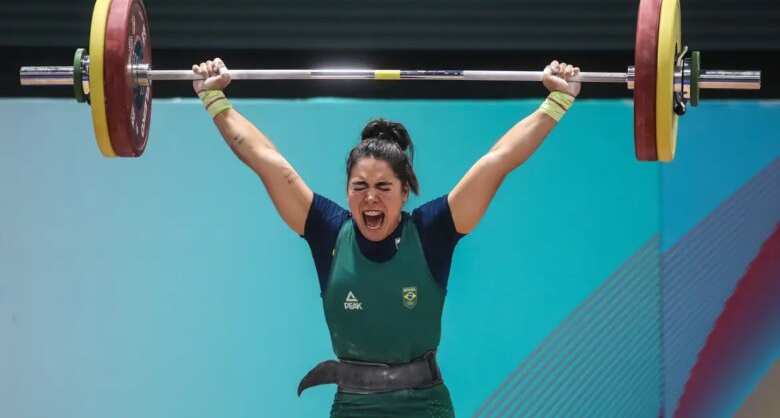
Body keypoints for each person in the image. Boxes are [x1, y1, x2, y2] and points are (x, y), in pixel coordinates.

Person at [192, 58, 581, 417]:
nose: (371, 197)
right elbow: (265, 160)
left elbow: (497, 161)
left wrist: (557, 101)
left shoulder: (432, 232)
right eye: (359, 186)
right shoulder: (328, 229)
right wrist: (213, 96)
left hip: (424, 405)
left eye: (383, 186)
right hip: (353, 407)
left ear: (404, 192)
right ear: (347, 192)